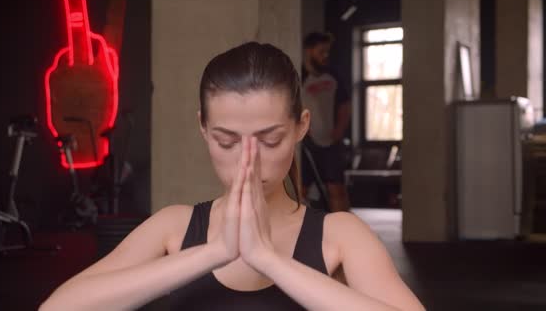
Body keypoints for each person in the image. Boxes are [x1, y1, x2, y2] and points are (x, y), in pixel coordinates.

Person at [40, 42, 424, 310]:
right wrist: (214, 252)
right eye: (227, 141)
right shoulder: (174, 227)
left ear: (300, 126)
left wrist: (269, 260)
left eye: (270, 139)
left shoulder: (340, 235)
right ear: (204, 129)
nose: (248, 160)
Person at [300, 32, 352, 212]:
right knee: (301, 191)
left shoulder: (333, 76)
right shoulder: (299, 77)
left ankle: (343, 234)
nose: (325, 56)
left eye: (327, 52)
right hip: (307, 143)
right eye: (321, 51)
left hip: (331, 143)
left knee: (336, 190)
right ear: (309, 51)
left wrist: (339, 129)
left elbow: (345, 105)